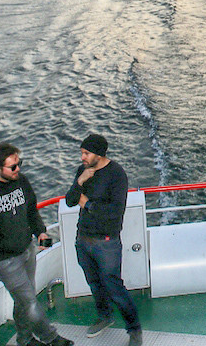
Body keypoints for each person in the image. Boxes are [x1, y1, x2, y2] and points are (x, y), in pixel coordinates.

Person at [0, 143, 73, 346]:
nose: (18, 169)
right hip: (6, 260)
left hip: (28, 250)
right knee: (29, 302)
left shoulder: (21, 181)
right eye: (13, 167)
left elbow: (31, 210)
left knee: (24, 300)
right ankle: (51, 338)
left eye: (19, 164)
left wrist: (40, 231)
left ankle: (24, 339)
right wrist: (9, 247)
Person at [65, 134, 142, 346]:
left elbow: (114, 212)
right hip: (83, 239)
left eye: (86, 153)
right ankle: (104, 316)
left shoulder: (116, 175)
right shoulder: (83, 171)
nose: (82, 157)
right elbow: (70, 200)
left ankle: (134, 329)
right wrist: (80, 182)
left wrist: (87, 203)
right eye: (82, 153)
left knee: (114, 287)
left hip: (106, 242)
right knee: (94, 283)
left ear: (99, 154)